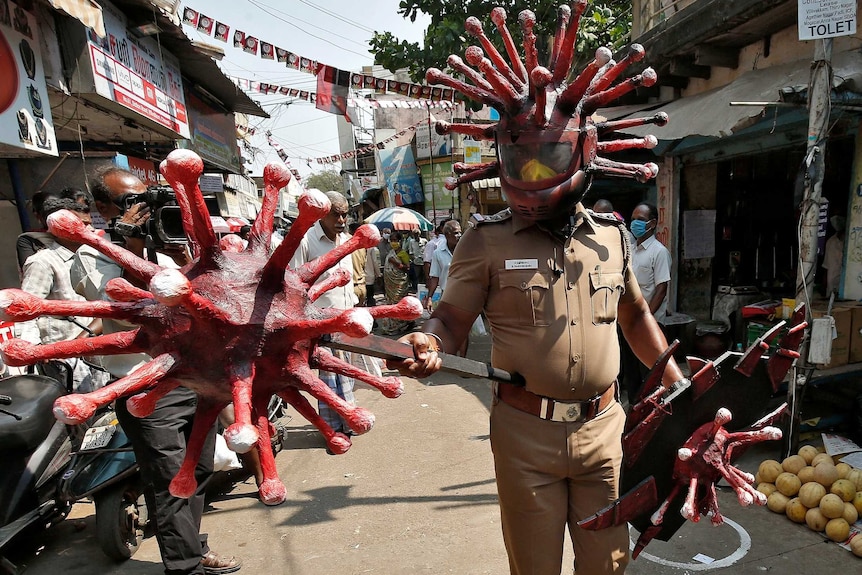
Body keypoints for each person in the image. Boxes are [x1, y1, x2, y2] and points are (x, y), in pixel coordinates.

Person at [388, 200, 685, 575]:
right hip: (525, 438)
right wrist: (428, 343)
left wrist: (679, 384)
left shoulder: (613, 237)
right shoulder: (486, 241)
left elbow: (637, 315)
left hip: (604, 433)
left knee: (607, 564)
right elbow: (448, 319)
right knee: (534, 567)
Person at [70, 167, 241, 575]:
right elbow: (133, 315)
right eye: (131, 203)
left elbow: (203, 300)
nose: (144, 210)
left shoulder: (167, 244)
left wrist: (188, 260)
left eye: (147, 199)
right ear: (103, 208)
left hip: (187, 377)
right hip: (142, 385)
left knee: (198, 468)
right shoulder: (91, 254)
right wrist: (127, 245)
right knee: (168, 476)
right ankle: (184, 566)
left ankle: (191, 548)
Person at [289, 191, 358, 440]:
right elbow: (294, 282)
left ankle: (349, 421)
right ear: (323, 214)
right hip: (319, 319)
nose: (341, 220)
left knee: (347, 371)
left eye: (345, 214)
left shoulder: (347, 240)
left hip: (346, 317)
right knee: (329, 376)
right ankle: (333, 428)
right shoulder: (306, 240)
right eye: (336, 215)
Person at [19, 197, 102, 392]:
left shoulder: (91, 257)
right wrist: (36, 348)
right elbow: (25, 310)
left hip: (94, 348)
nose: (90, 230)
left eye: (90, 224)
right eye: (82, 224)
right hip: (63, 357)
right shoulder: (42, 262)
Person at [621, 202, 672, 404]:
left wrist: (646, 319)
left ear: (652, 223)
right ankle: (634, 409)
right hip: (628, 323)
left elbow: (661, 290)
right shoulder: (630, 250)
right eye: (633, 219)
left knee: (650, 374)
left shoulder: (659, 252)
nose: (635, 224)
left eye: (640, 220)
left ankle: (652, 412)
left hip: (649, 324)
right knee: (631, 371)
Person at [423, 220, 468, 357]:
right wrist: (429, 297)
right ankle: (453, 357)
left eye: (460, 232)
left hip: (465, 295)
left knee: (463, 328)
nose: (459, 235)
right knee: (449, 328)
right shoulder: (438, 253)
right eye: (456, 233)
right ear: (447, 235)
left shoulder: (467, 250)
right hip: (447, 295)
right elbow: (435, 277)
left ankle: (463, 360)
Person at [16, 190, 59, 272]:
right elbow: (31, 271)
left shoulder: (73, 235)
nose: (56, 215)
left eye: (59, 209)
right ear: (38, 215)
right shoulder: (28, 240)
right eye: (50, 211)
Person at [381, 231, 412, 335]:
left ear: (400, 241)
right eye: (392, 240)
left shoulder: (403, 253)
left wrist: (395, 262)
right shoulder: (390, 253)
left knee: (398, 303)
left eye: (396, 240)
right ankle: (392, 326)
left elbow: (407, 268)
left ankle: (403, 324)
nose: (393, 242)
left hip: (399, 284)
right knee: (391, 303)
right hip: (390, 284)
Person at [823, 215, 846, 295]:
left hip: (846, 283)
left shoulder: (850, 241)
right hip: (832, 283)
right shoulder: (831, 242)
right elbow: (826, 265)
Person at [423, 218, 451, 282]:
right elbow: (427, 262)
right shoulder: (433, 243)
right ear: (442, 228)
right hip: (438, 279)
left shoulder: (456, 242)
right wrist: (428, 279)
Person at [349, 222, 367, 306]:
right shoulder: (362, 247)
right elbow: (364, 265)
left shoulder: (347, 247)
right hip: (362, 286)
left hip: (352, 288)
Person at [364, 238, 381, 307]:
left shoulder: (358, 248)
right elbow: (376, 263)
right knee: (370, 297)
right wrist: (379, 275)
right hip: (369, 277)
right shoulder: (373, 249)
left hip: (359, 277)